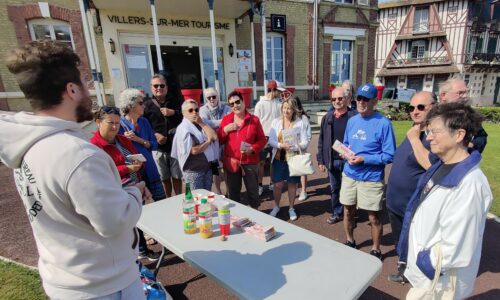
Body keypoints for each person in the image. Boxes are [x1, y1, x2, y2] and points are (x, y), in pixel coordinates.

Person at [0, 40, 146, 299]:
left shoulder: (25, 145)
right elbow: (115, 222)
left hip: (64, 275)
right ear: (72, 90)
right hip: (103, 285)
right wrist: (134, 192)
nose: (89, 92)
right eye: (84, 84)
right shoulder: (79, 155)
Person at [397, 102, 492, 299]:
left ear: (459, 135)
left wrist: (425, 264)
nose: (429, 136)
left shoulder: (469, 185)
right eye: (429, 131)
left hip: (439, 283)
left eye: (435, 131)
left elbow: (457, 247)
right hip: (428, 276)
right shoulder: (441, 165)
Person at [90, 106, 160, 262]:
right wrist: (127, 168)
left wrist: (140, 173)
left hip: (135, 186)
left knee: (137, 222)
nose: (115, 127)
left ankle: (141, 250)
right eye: (111, 123)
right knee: (125, 230)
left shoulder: (122, 139)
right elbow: (102, 172)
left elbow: (137, 158)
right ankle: (131, 259)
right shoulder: (94, 146)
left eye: (117, 123)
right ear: (98, 122)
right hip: (116, 193)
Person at [340, 83, 396, 260]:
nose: (361, 102)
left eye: (366, 99)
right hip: (350, 175)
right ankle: (350, 240)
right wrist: (345, 154)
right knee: (348, 211)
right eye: (359, 98)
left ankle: (376, 249)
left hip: (371, 178)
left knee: (373, 217)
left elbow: (389, 155)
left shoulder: (383, 123)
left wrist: (365, 159)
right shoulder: (352, 120)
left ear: (374, 101)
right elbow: (347, 144)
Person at [385, 91, 435, 283]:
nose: (415, 111)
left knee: (414, 244)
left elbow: (430, 166)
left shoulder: (432, 135)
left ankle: (415, 277)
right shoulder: (415, 130)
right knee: (400, 242)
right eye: (411, 107)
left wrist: (414, 138)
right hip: (394, 202)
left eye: (420, 107)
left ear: (434, 107)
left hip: (412, 206)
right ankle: (403, 268)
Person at [217, 91, 267, 208]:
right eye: (232, 104)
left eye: (237, 102)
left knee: (253, 193)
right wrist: (225, 130)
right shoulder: (226, 120)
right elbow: (219, 140)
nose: (235, 105)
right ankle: (237, 218)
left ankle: (256, 215)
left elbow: (262, 140)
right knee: (233, 194)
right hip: (232, 162)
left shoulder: (254, 120)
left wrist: (253, 149)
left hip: (250, 162)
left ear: (243, 102)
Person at [117, 88, 166, 201]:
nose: (144, 106)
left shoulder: (144, 121)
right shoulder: (119, 124)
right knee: (138, 208)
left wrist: (139, 140)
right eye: (140, 103)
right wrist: (124, 138)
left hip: (150, 168)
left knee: (161, 201)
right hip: (133, 173)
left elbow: (154, 144)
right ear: (130, 105)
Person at [268, 97, 311, 221]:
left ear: (294, 110)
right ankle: (276, 206)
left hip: (293, 158)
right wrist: (281, 145)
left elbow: (305, 141)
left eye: (289, 108)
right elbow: (271, 140)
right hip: (278, 158)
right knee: (277, 184)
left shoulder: (300, 122)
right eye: (285, 108)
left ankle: (291, 207)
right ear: (281, 108)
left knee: (292, 184)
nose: (286, 111)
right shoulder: (276, 122)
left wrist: (297, 146)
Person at [317, 87, 356, 225]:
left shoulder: (354, 116)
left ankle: (350, 215)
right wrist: (320, 159)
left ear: (347, 99)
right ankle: (337, 213)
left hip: (349, 160)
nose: (337, 101)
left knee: (350, 190)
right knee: (334, 188)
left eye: (340, 98)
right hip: (332, 160)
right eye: (334, 99)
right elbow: (321, 139)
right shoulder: (328, 117)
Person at [143, 74, 183, 197]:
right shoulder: (146, 105)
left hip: (175, 146)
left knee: (177, 176)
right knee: (164, 177)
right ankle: (168, 199)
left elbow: (186, 116)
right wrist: (155, 135)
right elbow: (144, 125)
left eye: (162, 85)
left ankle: (178, 199)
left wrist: (174, 112)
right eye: (156, 85)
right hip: (158, 148)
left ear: (166, 87)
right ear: (151, 88)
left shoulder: (175, 101)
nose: (159, 88)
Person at [171, 100, 220, 190]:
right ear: (183, 113)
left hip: (207, 169)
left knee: (206, 199)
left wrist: (201, 123)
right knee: (196, 200)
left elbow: (214, 136)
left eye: (196, 110)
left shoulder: (201, 122)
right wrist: (208, 142)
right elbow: (194, 150)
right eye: (190, 110)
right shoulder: (183, 128)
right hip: (193, 172)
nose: (194, 112)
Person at [439, 77, 488, 153]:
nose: (465, 96)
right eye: (460, 93)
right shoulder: (432, 115)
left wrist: (472, 144)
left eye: (466, 92)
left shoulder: (470, 115)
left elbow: (481, 137)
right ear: (444, 95)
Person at [199, 87, 231, 194]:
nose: (212, 99)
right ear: (206, 99)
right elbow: (204, 122)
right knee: (215, 171)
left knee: (226, 168)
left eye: (214, 96)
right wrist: (222, 122)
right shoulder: (203, 109)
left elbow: (229, 120)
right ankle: (218, 192)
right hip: (211, 144)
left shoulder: (226, 107)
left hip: (226, 142)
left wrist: (211, 122)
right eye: (209, 97)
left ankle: (228, 191)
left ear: (218, 96)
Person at [254, 80, 282, 196]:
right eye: (278, 91)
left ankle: (271, 183)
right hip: (263, 137)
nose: (280, 93)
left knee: (273, 162)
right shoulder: (260, 104)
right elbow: (256, 121)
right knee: (260, 162)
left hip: (275, 137)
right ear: (272, 90)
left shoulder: (279, 103)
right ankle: (259, 185)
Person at [295, 97, 312, 201]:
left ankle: (303, 190)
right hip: (290, 148)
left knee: (302, 170)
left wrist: (302, 145)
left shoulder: (303, 118)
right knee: (293, 169)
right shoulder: (288, 117)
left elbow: (308, 135)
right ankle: (296, 188)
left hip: (301, 148)